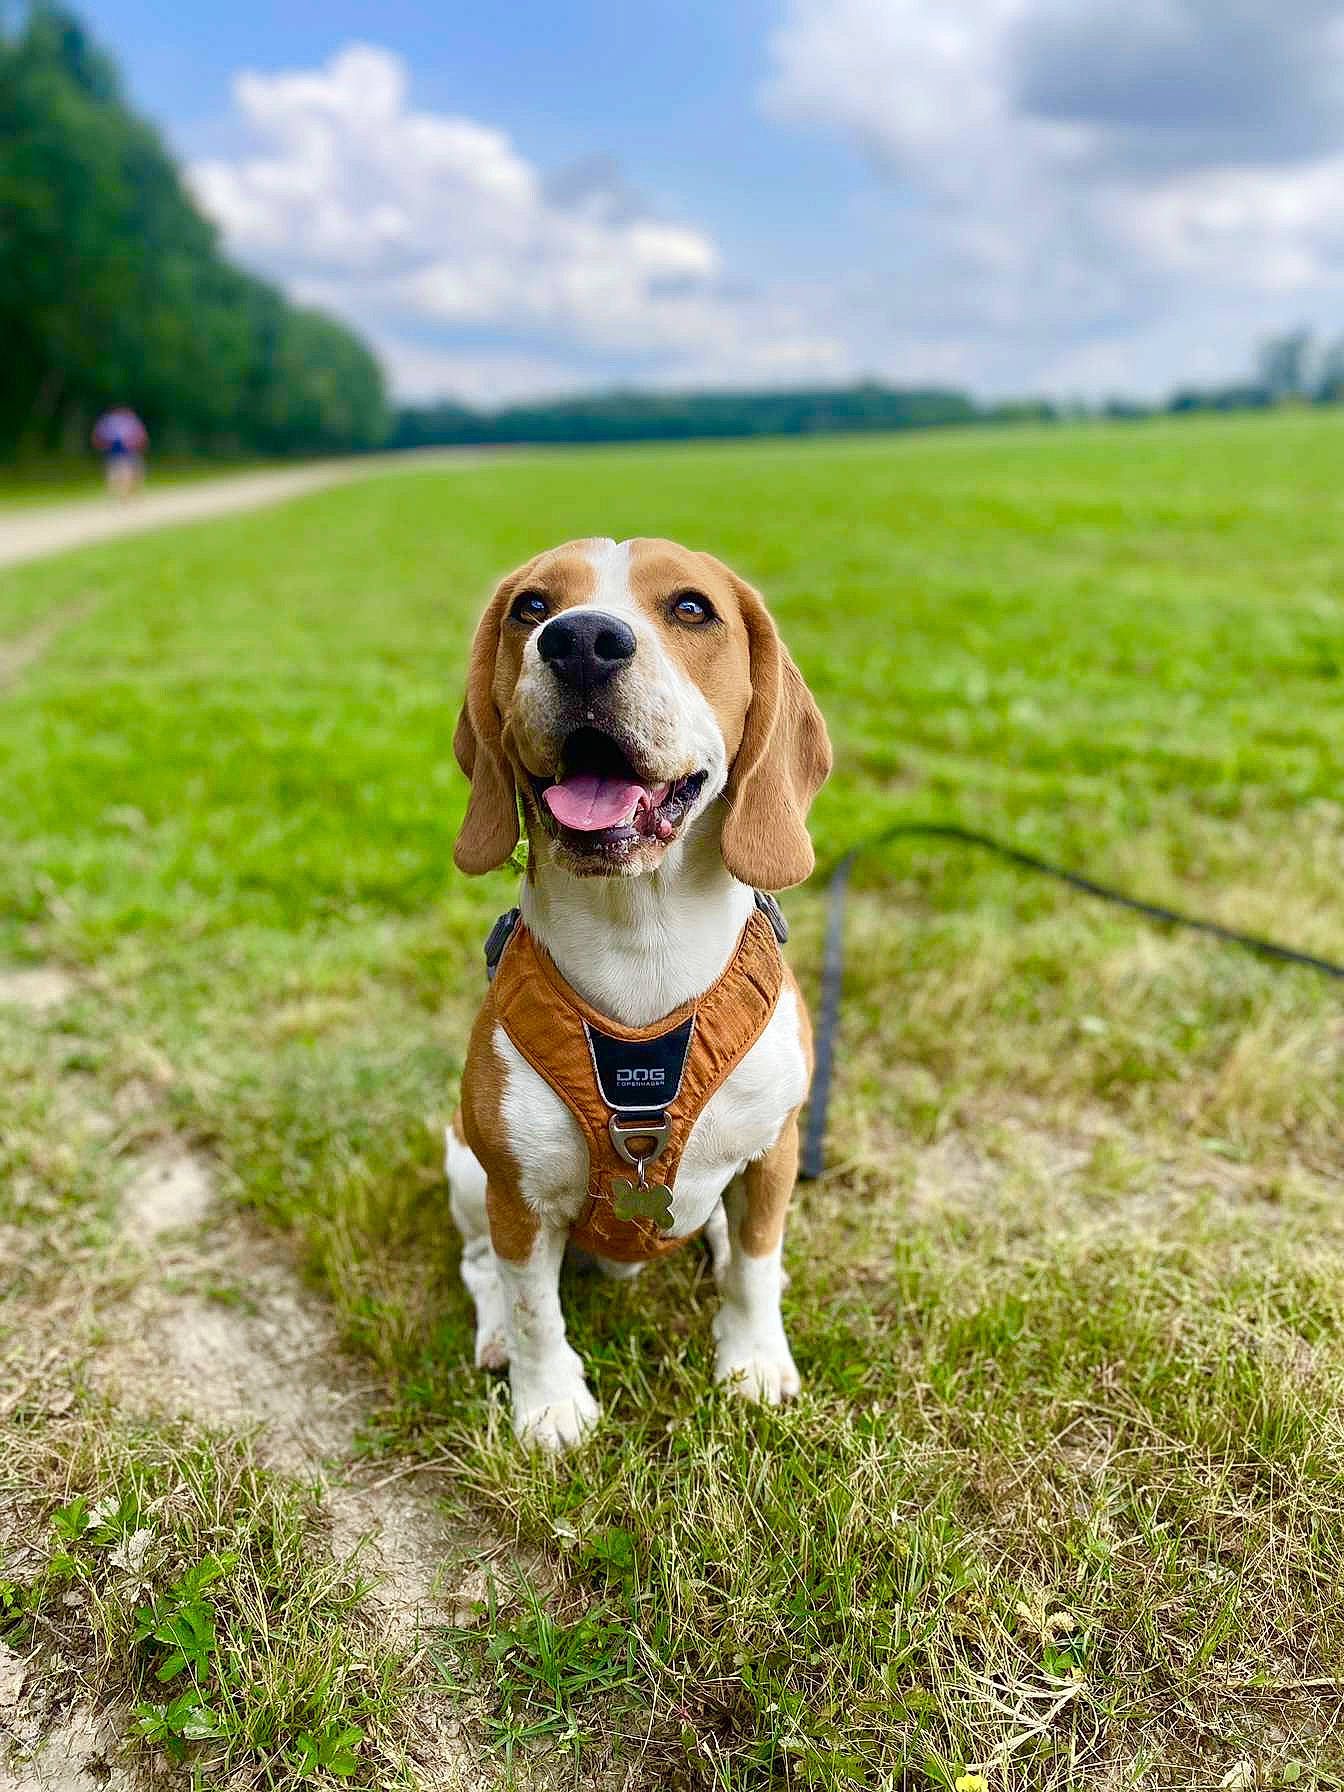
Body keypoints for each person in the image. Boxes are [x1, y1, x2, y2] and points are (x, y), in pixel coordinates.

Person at [91, 406, 149, 496]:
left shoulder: (113, 421)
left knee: (130, 474)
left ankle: (127, 494)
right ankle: (122, 495)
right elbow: (98, 438)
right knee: (121, 474)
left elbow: (140, 435)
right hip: (117, 452)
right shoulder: (110, 422)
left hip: (127, 451)